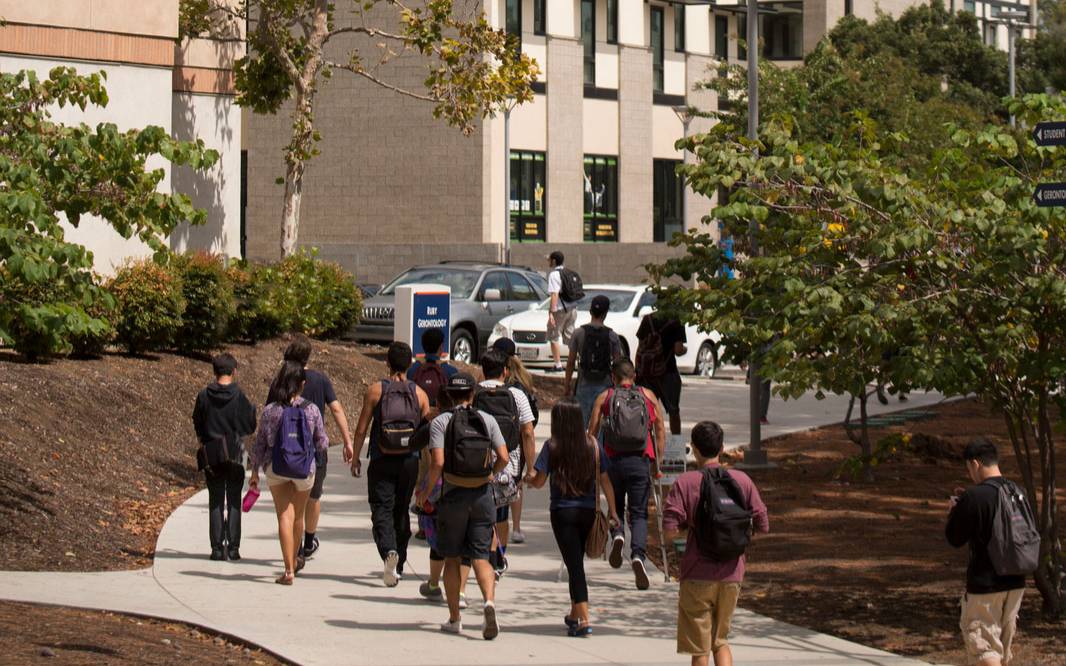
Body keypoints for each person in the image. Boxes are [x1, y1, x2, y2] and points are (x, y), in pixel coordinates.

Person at [663, 421, 769, 666]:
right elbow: (763, 525)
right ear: (721, 448)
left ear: (694, 449)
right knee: (720, 641)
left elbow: (669, 532)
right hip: (733, 573)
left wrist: (691, 531)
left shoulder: (685, 483)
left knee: (700, 648)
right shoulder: (742, 480)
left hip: (697, 573)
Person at [415, 373, 510, 640]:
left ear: (449, 395)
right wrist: (490, 473)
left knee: (453, 557)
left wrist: (424, 493)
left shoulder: (441, 423)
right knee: (480, 556)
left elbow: (438, 464)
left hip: (454, 496)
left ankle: (455, 618)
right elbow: (503, 456)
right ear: (472, 394)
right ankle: (489, 603)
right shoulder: (487, 420)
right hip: (482, 496)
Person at [526, 398, 619, 637]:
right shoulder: (593, 445)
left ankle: (584, 620)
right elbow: (606, 480)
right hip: (588, 510)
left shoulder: (552, 446)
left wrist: (529, 479)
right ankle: (574, 613)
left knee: (575, 566)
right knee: (574, 561)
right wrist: (614, 510)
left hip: (562, 511)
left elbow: (539, 480)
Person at [346, 341, 431, 587]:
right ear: (411, 364)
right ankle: (400, 564)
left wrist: (355, 458)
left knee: (381, 508)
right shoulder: (420, 394)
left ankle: (388, 551)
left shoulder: (376, 390)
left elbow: (362, 428)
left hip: (382, 458)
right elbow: (427, 433)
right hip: (409, 461)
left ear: (387, 362)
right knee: (401, 509)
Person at [266, 335, 354, 559]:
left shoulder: (281, 380)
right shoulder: (320, 379)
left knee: (289, 506)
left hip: (284, 453)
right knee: (313, 498)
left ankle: (291, 553)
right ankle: (307, 541)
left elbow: (269, 414)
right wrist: (347, 440)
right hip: (313, 452)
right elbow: (336, 409)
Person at [946, 439, 1028, 666]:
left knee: (985, 650)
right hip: (1016, 581)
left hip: (985, 584)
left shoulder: (975, 497)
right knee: (1001, 650)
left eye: (969, 468)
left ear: (975, 463)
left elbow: (954, 538)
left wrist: (955, 511)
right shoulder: (1016, 491)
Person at [587, 358, 666, 590]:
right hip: (640, 460)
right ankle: (638, 556)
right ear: (634, 375)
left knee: (615, 506)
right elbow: (659, 427)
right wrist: (657, 461)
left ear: (613, 377)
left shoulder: (605, 397)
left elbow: (592, 432)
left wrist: (591, 461)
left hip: (611, 462)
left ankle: (618, 534)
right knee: (639, 513)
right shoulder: (648, 396)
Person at [250, 361, 329, 585]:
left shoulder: (270, 411)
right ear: (302, 385)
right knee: (298, 516)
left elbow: (259, 445)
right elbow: (322, 442)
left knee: (284, 514)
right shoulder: (312, 409)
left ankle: (288, 570)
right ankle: (295, 559)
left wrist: (255, 471)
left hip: (276, 468)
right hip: (304, 470)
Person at [475, 348, 536, 577]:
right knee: (501, 515)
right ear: (505, 371)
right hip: (508, 465)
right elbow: (528, 432)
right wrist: (530, 468)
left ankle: (487, 556)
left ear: (483, 370)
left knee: (483, 514)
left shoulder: (474, 393)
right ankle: (498, 558)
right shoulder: (516, 395)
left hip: (478, 464)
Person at [192, 353, 257, 561]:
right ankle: (234, 548)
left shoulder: (204, 395)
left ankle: (217, 549)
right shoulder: (240, 396)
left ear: (214, 371)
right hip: (235, 452)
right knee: (234, 500)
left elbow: (198, 422)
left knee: (216, 500)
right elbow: (250, 426)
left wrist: (203, 440)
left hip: (212, 452)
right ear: (234, 371)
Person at [414, 389, 473, 609]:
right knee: (465, 540)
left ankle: (433, 583)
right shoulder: (476, 419)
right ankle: (461, 590)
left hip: (440, 486)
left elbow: (429, 457)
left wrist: (425, 491)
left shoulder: (437, 423)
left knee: (439, 538)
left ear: (438, 402)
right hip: (470, 485)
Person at [491, 337, 539, 544]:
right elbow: (529, 427)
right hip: (516, 442)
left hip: (495, 442)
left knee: (497, 487)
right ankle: (516, 528)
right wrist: (531, 467)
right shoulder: (523, 382)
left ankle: (496, 532)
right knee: (515, 485)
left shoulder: (494, 381)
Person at [565, 294, 623, 427]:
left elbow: (570, 362)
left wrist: (567, 385)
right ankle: (599, 447)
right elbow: (617, 363)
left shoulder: (578, 333)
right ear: (605, 313)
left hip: (583, 384)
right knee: (601, 425)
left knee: (582, 424)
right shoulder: (612, 336)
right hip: (605, 385)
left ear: (590, 311)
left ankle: (582, 447)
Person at [635, 313, 687, 435]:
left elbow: (641, 346)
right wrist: (685, 350)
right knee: (673, 411)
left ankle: (646, 445)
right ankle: (675, 450)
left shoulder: (648, 319)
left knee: (647, 410)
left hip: (647, 374)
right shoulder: (676, 321)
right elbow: (678, 350)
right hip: (668, 372)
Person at [408, 328, 459, 407]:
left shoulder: (412, 371)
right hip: (443, 415)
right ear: (441, 347)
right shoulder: (451, 372)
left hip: (418, 415)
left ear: (423, 346)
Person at [546, 251, 578, 373]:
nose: (548, 262)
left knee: (553, 335)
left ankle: (558, 365)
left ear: (554, 261)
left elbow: (554, 294)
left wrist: (551, 313)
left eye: (549, 260)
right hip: (573, 308)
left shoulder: (554, 275)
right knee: (570, 337)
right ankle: (573, 363)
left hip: (560, 309)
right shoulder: (569, 272)